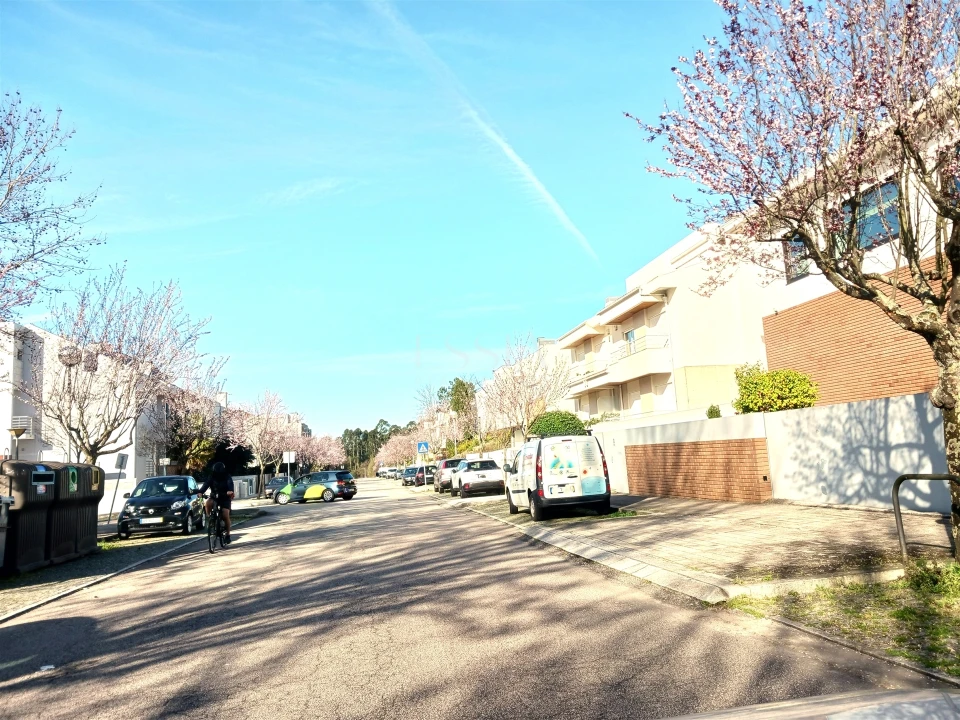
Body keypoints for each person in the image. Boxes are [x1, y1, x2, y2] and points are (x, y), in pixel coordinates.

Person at [196, 462, 235, 544]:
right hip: (215, 496)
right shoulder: (212, 477)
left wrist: (230, 491)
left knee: (225, 515)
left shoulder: (227, 476)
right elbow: (206, 484)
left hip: (225, 497)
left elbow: (230, 484)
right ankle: (210, 518)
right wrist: (200, 492)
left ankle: (228, 535)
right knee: (208, 503)